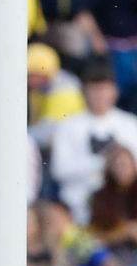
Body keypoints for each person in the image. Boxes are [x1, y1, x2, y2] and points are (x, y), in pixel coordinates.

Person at [50, 64, 137, 223]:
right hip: (77, 208)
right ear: (84, 91)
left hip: (122, 209)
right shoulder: (68, 126)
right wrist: (102, 161)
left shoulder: (130, 124)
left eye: (104, 89)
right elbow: (59, 169)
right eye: (94, 90)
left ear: (115, 91)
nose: (99, 95)